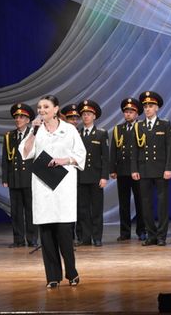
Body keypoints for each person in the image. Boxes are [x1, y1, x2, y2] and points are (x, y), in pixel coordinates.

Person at [20, 95, 86, 288]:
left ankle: (71, 272)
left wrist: (64, 160)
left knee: (64, 232)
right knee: (47, 233)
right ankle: (52, 277)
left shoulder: (69, 129)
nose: (41, 110)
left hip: (63, 184)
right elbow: (25, 153)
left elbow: (81, 154)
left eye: (46, 107)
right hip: (42, 185)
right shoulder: (36, 130)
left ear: (56, 109)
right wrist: (33, 132)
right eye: (39, 107)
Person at [131, 91, 171, 246]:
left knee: (162, 204)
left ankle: (162, 236)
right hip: (144, 169)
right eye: (145, 106)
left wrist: (168, 168)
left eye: (151, 106)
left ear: (157, 108)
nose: (147, 109)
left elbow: (169, 148)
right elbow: (134, 150)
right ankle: (151, 235)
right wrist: (134, 169)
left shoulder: (164, 124)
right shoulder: (138, 126)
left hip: (161, 169)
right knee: (145, 204)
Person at [1, 103, 38, 248]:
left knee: (30, 210)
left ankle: (32, 238)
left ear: (28, 120)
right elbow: (5, 159)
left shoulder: (34, 134)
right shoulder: (9, 136)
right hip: (14, 178)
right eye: (16, 117)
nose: (18, 119)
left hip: (29, 178)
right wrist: (5, 178)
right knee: (16, 211)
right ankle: (18, 239)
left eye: (22, 117)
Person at [110, 98, 146, 241]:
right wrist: (113, 169)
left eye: (131, 112)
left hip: (138, 170)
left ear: (137, 114)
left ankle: (142, 230)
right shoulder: (118, 129)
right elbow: (114, 150)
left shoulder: (142, 127)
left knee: (140, 201)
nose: (128, 114)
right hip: (123, 170)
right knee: (123, 203)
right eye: (126, 112)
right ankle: (125, 232)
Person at [75, 99, 109, 247]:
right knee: (82, 209)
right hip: (81, 177)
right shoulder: (77, 134)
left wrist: (104, 176)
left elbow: (105, 157)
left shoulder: (101, 133)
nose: (86, 116)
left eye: (89, 114)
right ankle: (85, 237)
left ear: (94, 116)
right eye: (84, 114)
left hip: (96, 177)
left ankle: (97, 237)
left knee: (96, 209)